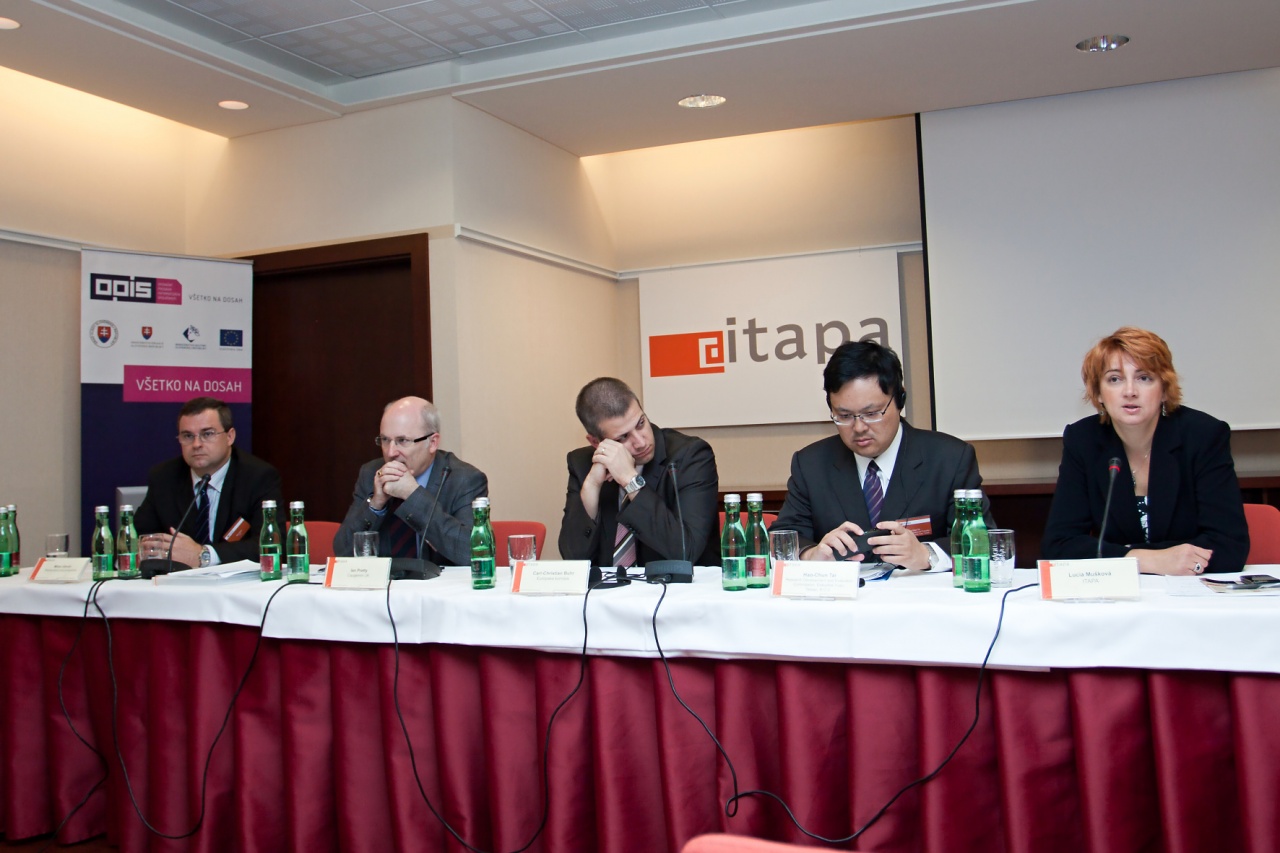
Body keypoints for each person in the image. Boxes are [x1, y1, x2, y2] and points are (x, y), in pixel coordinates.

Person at [1042, 327, 1248, 574]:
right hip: (1120, 592)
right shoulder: (1083, 440)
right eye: (1115, 379)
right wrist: (1145, 559)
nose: (1130, 391)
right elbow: (1058, 546)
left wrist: (1119, 554)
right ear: (1098, 392)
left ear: (1164, 389)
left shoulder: (1203, 436)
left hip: (1188, 589)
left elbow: (1229, 546)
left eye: (1144, 378)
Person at [772, 340, 988, 570]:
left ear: (900, 400)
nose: (859, 428)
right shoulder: (811, 464)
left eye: (872, 413)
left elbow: (981, 540)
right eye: (844, 416)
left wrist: (927, 554)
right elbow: (783, 537)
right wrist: (810, 555)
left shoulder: (950, 459)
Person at [558, 378, 719, 568]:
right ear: (596, 442)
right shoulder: (582, 464)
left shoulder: (690, 456)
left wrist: (631, 481)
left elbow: (685, 552)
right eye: (623, 437)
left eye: (641, 423)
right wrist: (592, 486)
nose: (641, 442)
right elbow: (572, 560)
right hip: (609, 586)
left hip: (676, 585)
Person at [334, 396, 487, 566]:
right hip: (384, 581)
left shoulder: (464, 479)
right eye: (385, 440)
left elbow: (471, 553)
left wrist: (413, 495)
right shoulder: (371, 473)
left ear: (432, 442)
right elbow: (342, 552)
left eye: (402, 441)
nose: (391, 452)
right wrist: (376, 504)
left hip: (439, 582)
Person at [135, 396, 283, 567]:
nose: (196, 444)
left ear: (230, 437)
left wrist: (204, 555)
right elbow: (137, 539)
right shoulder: (164, 478)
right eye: (188, 436)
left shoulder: (258, 477)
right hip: (179, 580)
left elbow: (271, 545)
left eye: (207, 434)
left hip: (236, 582)